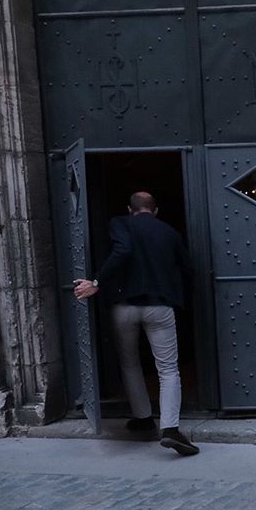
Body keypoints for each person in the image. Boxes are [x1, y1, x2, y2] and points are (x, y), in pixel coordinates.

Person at [74, 192, 199, 457]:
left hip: (124, 307)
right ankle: (170, 429)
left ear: (130, 208)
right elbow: (188, 270)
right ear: (155, 211)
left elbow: (123, 250)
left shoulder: (120, 223)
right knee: (168, 369)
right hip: (159, 306)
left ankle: (143, 417)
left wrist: (97, 283)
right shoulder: (169, 232)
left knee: (130, 364)